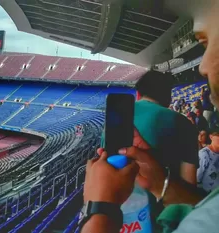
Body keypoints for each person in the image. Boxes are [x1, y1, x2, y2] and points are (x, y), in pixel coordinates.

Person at [83, 0, 219, 232]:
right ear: (168, 97)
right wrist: (158, 182)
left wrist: (100, 211)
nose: (202, 67)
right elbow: (191, 184)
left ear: (137, 94)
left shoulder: (113, 124)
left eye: (206, 43)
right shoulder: (183, 124)